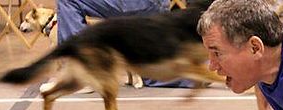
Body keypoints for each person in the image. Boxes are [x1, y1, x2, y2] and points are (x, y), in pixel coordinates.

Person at [55, 0, 192, 89]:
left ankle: (83, 72)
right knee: (150, 68)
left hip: (136, 4)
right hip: (155, 5)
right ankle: (191, 74)